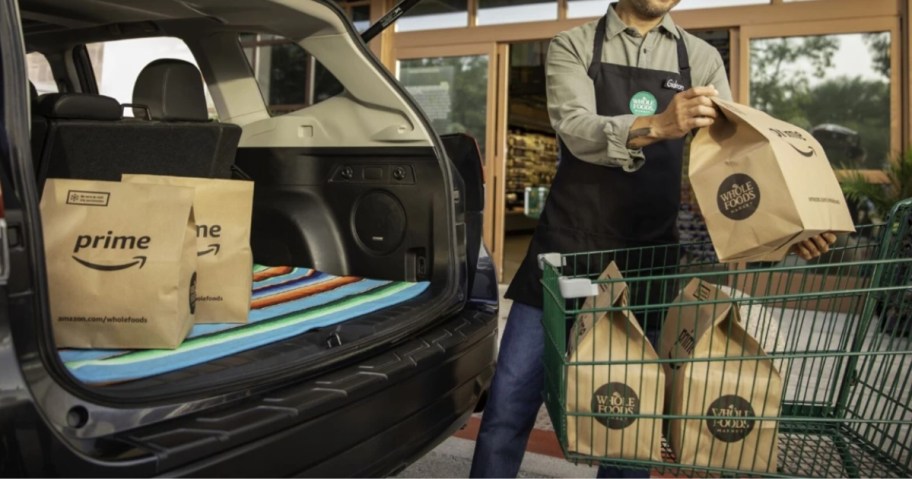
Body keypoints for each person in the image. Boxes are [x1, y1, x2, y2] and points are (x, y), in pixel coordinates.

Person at [469, 1, 836, 478]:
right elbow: (575, 127)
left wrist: (788, 225)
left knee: (631, 422)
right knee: (509, 403)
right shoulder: (574, 45)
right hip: (567, 248)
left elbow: (733, 158)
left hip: (647, 258)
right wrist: (659, 125)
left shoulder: (700, 59)